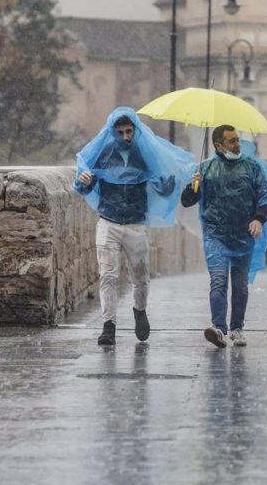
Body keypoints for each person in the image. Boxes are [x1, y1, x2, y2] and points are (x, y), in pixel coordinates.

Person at [75, 107, 192, 346]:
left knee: (140, 276)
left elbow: (163, 188)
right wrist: (84, 181)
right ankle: (109, 326)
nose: (126, 137)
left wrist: (169, 182)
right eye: (121, 132)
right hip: (108, 220)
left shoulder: (144, 154)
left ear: (135, 130)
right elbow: (85, 183)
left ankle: (140, 311)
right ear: (113, 132)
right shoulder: (103, 153)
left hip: (137, 223)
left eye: (130, 131)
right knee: (107, 275)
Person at [180, 125, 267, 348]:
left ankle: (237, 328)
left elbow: (265, 197)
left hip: (243, 236)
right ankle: (219, 329)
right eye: (231, 141)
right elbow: (186, 201)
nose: (237, 144)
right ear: (218, 146)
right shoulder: (205, 169)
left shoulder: (251, 167)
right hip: (216, 235)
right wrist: (194, 186)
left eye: (237, 140)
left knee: (240, 286)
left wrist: (258, 219)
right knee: (219, 281)